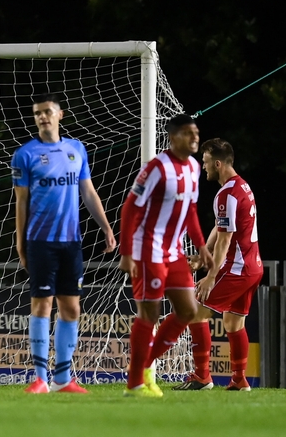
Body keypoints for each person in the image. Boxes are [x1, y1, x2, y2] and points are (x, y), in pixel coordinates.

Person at [11, 93, 117, 394]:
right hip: (40, 240)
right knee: (42, 305)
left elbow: (88, 192)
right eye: (37, 113)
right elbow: (21, 202)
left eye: (47, 111)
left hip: (71, 241)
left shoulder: (76, 149)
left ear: (60, 115)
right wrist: (20, 243)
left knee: (71, 308)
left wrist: (107, 228)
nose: (42, 117)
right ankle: (41, 378)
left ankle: (62, 378)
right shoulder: (25, 155)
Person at [118, 114, 215, 398]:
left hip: (174, 252)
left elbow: (191, 211)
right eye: (187, 133)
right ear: (173, 138)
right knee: (149, 313)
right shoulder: (157, 168)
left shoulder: (195, 168)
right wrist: (126, 253)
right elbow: (130, 209)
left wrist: (201, 247)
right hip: (148, 248)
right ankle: (135, 383)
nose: (194, 137)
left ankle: (145, 365)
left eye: (196, 132)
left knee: (187, 310)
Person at [172, 138, 262, 392]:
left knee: (195, 311)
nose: (204, 167)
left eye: (206, 162)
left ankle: (202, 376)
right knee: (234, 323)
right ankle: (239, 380)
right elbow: (220, 227)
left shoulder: (227, 194)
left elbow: (225, 240)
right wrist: (203, 255)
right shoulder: (241, 186)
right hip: (253, 267)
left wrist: (211, 275)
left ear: (219, 163)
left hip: (237, 269)